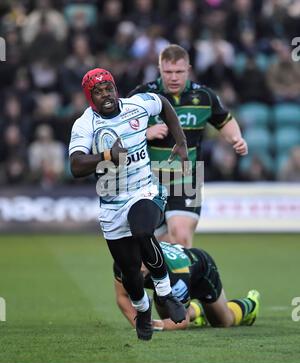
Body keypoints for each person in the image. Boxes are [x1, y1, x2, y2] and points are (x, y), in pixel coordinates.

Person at [69, 68, 189, 341]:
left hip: (145, 189)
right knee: (129, 271)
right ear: (90, 98)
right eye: (98, 92)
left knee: (143, 231)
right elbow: (76, 166)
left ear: (116, 88)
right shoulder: (85, 124)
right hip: (111, 202)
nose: (106, 95)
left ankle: (166, 293)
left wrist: (180, 141)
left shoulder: (137, 105)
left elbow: (164, 104)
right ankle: (143, 310)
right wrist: (108, 155)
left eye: (109, 88)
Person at [128, 44, 248, 248]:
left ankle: (180, 278)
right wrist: (146, 133)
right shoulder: (141, 97)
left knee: (181, 238)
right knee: (146, 249)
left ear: (188, 70)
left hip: (187, 177)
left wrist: (236, 137)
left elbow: (225, 120)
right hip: (148, 181)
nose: (174, 77)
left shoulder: (204, 97)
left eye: (179, 72)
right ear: (160, 69)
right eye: (168, 72)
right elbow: (119, 134)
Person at [114, 241, 260, 331]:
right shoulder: (122, 264)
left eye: (141, 262)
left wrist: (154, 325)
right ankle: (196, 310)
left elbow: (181, 322)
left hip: (202, 272)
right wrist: (139, 323)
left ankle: (251, 304)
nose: (136, 268)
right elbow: (122, 296)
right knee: (170, 313)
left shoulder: (176, 274)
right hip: (169, 282)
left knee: (223, 322)